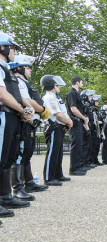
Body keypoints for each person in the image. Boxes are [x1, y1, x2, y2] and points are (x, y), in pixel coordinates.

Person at [0, 32, 33, 216]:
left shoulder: (5, 69)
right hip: (4, 114)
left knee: (8, 157)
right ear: (2, 47)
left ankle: (5, 196)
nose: (14, 52)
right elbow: (2, 95)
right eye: (12, 48)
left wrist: (22, 112)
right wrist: (23, 110)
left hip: (12, 116)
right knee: (1, 157)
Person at [9, 55, 50, 200]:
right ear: (19, 67)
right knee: (20, 154)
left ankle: (29, 182)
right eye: (28, 67)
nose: (30, 71)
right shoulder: (19, 80)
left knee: (26, 153)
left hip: (30, 123)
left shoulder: (23, 81)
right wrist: (40, 109)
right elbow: (26, 101)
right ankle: (18, 188)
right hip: (25, 121)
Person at [41, 75, 73, 186]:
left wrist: (68, 121)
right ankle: (48, 177)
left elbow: (63, 112)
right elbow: (58, 115)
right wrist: (68, 122)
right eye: (56, 85)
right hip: (54, 127)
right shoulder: (49, 98)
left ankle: (58, 174)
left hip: (60, 128)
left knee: (59, 152)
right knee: (52, 152)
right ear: (51, 85)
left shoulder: (56, 97)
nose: (58, 87)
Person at [66, 76, 88, 176]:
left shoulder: (76, 93)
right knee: (76, 145)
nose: (82, 84)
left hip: (78, 122)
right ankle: (73, 169)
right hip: (75, 122)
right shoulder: (71, 93)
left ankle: (77, 167)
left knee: (79, 145)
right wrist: (83, 118)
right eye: (81, 82)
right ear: (77, 83)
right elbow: (73, 109)